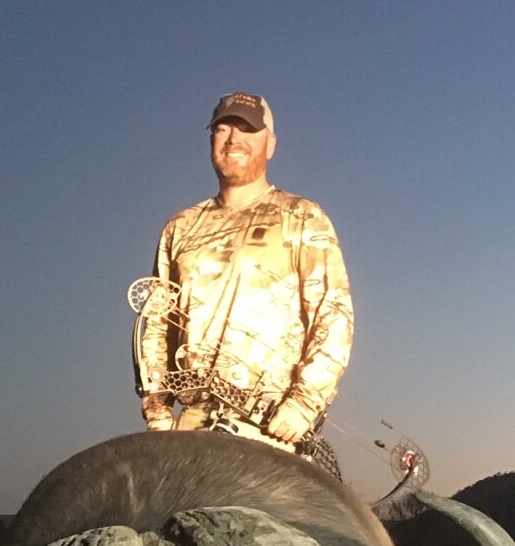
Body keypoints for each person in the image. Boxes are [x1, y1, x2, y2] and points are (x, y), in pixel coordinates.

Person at [134, 92, 353, 456]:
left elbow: (333, 315)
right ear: (211, 141)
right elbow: (157, 322)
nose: (234, 139)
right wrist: (158, 413)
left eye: (247, 129)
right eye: (223, 129)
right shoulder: (180, 226)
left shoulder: (301, 216)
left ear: (270, 144)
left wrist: (302, 404)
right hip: (189, 429)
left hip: (269, 428)